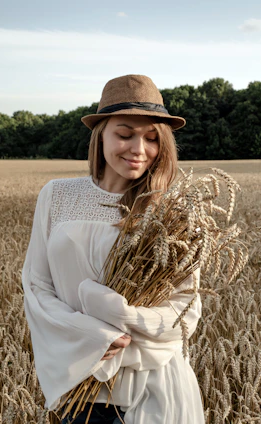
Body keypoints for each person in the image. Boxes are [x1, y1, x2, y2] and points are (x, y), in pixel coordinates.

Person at [22, 74, 205, 424]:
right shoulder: (57, 196)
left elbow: (186, 308)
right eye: (124, 134)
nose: (139, 149)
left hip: (155, 390)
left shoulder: (173, 210)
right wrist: (93, 335)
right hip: (81, 387)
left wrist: (125, 320)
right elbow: (36, 286)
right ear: (100, 134)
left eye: (152, 138)